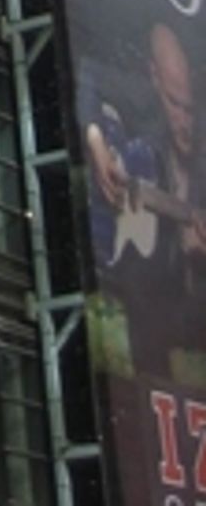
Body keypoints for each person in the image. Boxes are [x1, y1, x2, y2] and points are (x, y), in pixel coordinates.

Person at [85, 22, 206, 376]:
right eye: (174, 104)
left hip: (193, 298)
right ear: (155, 78)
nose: (184, 120)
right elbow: (89, 77)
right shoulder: (143, 108)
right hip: (153, 294)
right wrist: (96, 143)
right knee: (141, 293)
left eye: (190, 108)